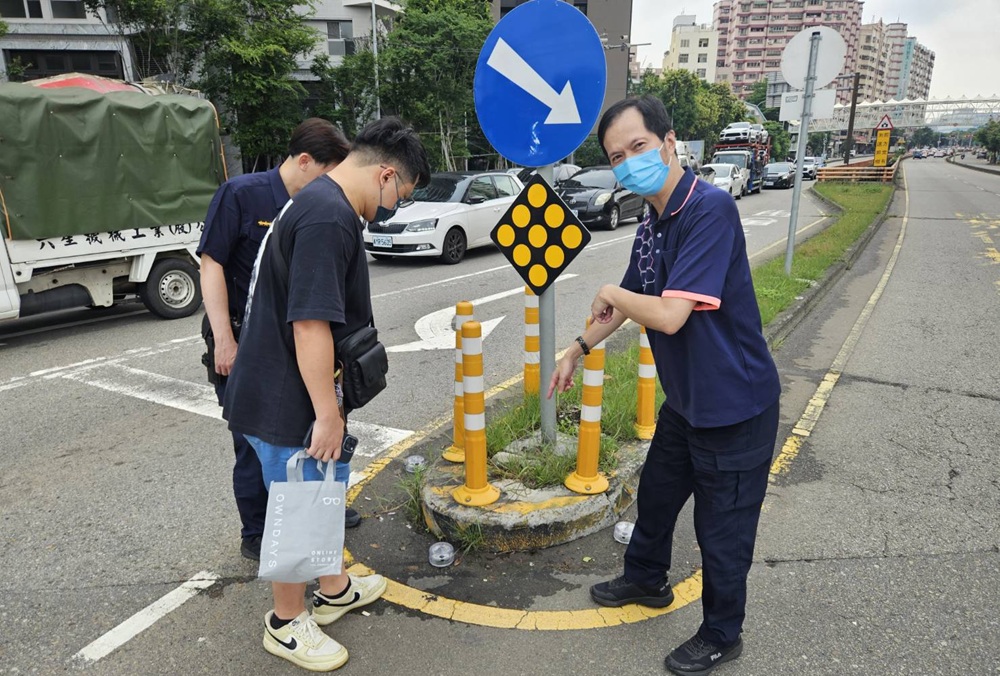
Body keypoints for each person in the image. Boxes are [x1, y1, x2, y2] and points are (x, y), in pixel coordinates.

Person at [548, 96, 781, 676]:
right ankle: (646, 579)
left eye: (638, 146)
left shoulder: (709, 209)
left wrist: (611, 292)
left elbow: (671, 315)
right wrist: (577, 348)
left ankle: (722, 633)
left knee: (721, 531)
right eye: (616, 156)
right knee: (655, 494)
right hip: (688, 401)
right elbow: (627, 301)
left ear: (669, 143)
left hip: (734, 406)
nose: (628, 162)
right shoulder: (651, 222)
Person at [223, 117, 430, 672]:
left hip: (286, 390)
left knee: (320, 493)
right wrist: (327, 414)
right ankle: (286, 622)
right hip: (287, 400)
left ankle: (334, 589)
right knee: (299, 503)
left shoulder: (319, 201)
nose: (394, 208)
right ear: (385, 175)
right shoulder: (328, 217)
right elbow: (310, 324)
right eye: (402, 195)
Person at [198, 118, 355, 562]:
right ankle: (258, 530)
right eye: (327, 174)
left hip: (294, 343)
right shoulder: (241, 195)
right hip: (243, 340)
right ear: (304, 161)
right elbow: (211, 264)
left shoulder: (316, 206)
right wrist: (225, 339)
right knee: (255, 440)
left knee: (313, 426)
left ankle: (317, 506)